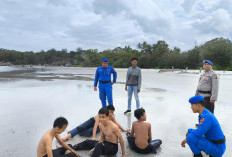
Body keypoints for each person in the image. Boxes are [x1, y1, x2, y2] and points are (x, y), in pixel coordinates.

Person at [62, 106, 128, 141]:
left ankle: (76, 131)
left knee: (86, 133)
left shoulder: (112, 116)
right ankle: (65, 138)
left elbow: (117, 124)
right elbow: (95, 126)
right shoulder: (100, 115)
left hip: (99, 126)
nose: (112, 114)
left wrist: (124, 130)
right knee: (80, 128)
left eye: (112, 112)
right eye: (110, 112)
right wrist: (93, 137)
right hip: (92, 121)